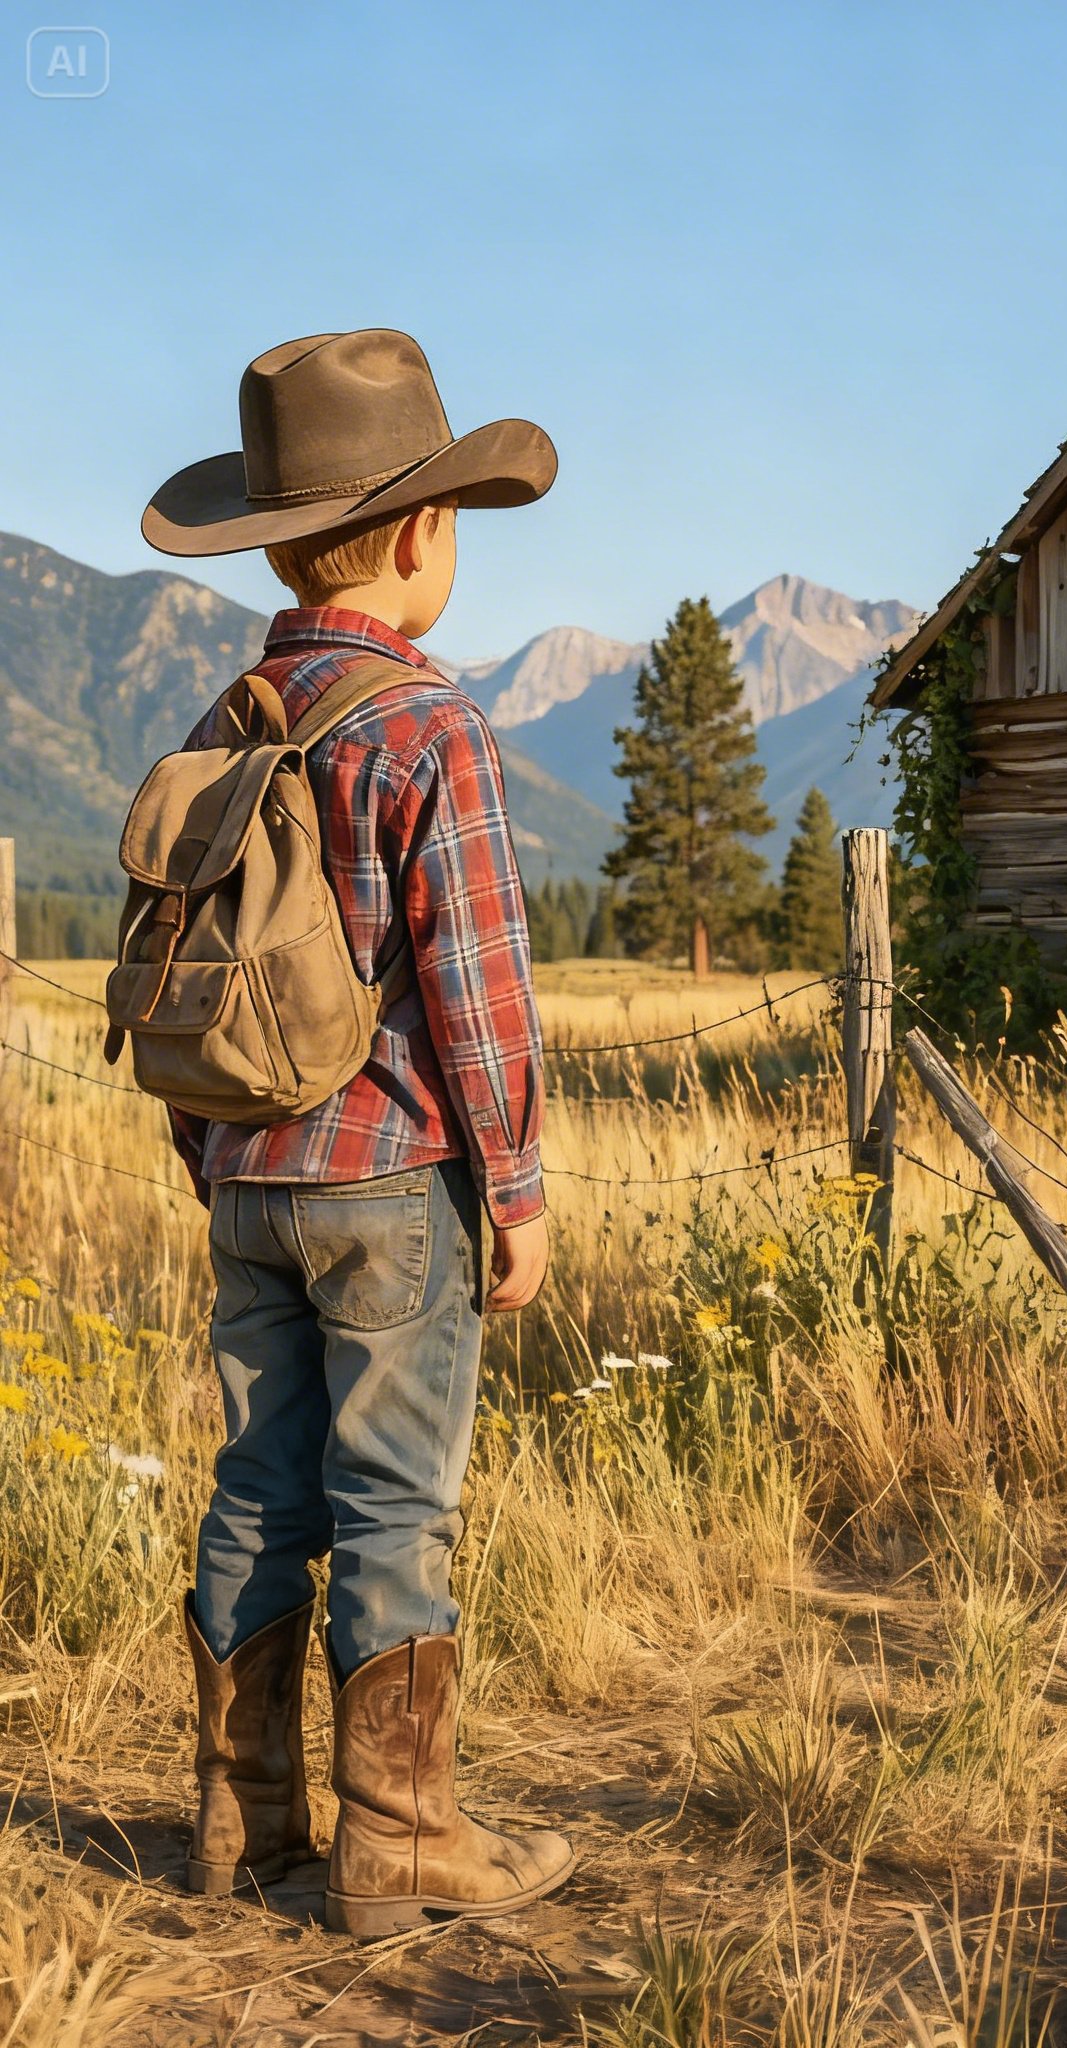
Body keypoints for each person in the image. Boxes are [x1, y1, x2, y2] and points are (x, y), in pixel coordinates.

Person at [139, 329, 574, 1938]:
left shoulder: (226, 716)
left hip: (243, 1179)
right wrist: (513, 1187)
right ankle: (397, 1836)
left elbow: (186, 965)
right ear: (418, 540)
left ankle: (243, 1822)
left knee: (259, 1486)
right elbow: (475, 985)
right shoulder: (427, 727)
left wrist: (211, 1160)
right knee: (398, 1499)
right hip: (391, 1186)